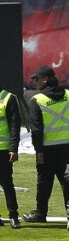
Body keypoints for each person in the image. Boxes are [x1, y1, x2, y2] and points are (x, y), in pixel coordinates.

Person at [22, 66, 69, 224]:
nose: (34, 82)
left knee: (44, 182)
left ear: (45, 79)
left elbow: (36, 130)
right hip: (66, 147)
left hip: (46, 150)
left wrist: (38, 150)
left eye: (37, 79)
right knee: (68, 182)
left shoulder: (38, 100)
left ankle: (41, 214)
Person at [0, 85, 21, 228]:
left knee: (7, 183)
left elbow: (15, 125)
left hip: (3, 149)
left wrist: (13, 148)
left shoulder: (8, 98)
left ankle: (13, 215)